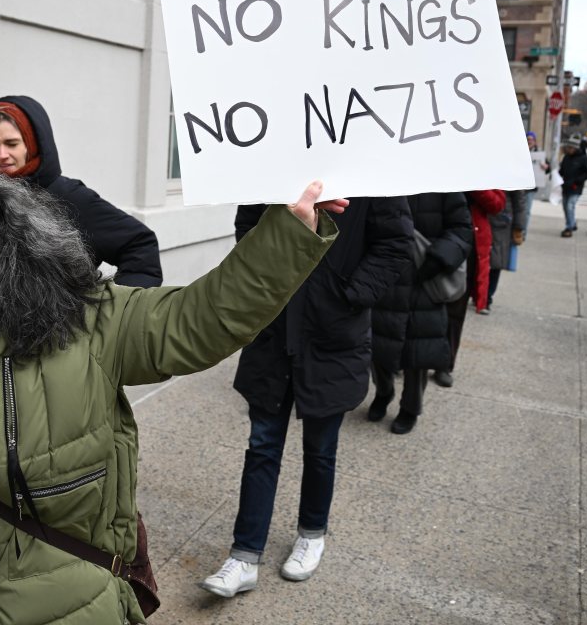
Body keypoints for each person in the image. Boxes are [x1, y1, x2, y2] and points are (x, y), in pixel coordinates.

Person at [0, 170, 346, 624]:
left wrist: (289, 232)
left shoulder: (86, 322)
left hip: (61, 607)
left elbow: (203, 319)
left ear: (6, 248)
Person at [198, 197, 411, 597]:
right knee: (262, 444)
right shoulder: (276, 169)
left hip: (334, 333)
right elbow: (248, 226)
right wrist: (265, 279)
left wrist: (349, 294)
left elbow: (395, 244)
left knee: (320, 448)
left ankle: (312, 534)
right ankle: (244, 555)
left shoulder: (371, 176)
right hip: (274, 328)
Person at [0, 95, 162, 288]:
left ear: (31, 144)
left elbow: (140, 244)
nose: (2, 155)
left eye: (12, 144)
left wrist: (119, 303)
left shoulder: (69, 197)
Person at [368, 193, 472, 434]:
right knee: (377, 343)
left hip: (425, 276)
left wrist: (439, 259)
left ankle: (411, 407)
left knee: (419, 350)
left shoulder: (444, 183)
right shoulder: (381, 178)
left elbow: (461, 228)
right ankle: (383, 391)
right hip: (386, 274)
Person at [442, 190, 506, 387]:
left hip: (469, 244)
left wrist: (475, 187)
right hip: (436, 234)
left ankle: (444, 364)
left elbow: (497, 204)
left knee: (455, 311)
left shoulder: (484, 175)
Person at [558, 140, 587, 237]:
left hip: (576, 186)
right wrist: (557, 175)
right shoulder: (566, 157)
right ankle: (572, 223)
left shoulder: (583, 158)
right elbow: (562, 170)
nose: (568, 149)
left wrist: (579, 180)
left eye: (571, 148)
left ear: (575, 148)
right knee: (565, 206)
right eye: (568, 147)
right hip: (566, 186)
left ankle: (569, 227)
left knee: (570, 206)